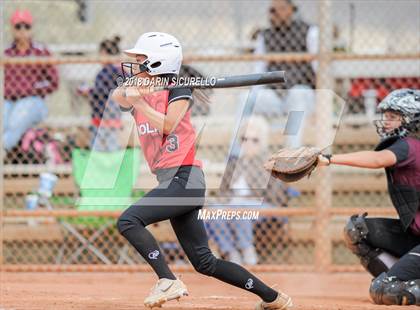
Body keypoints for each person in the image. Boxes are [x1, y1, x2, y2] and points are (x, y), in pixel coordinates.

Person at [112, 32, 292, 309]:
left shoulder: (179, 90)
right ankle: (273, 298)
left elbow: (169, 125)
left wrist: (139, 102)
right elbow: (118, 96)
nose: (134, 65)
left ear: (158, 63)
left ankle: (167, 279)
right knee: (205, 262)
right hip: (171, 181)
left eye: (141, 60)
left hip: (184, 179)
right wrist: (133, 92)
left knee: (128, 221)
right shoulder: (142, 89)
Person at [317, 89, 420, 306]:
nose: (385, 121)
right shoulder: (409, 146)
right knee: (358, 230)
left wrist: (329, 159)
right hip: (415, 237)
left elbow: (377, 159)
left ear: (411, 120)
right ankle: (399, 278)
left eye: (393, 117)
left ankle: (396, 283)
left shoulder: (409, 146)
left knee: (383, 290)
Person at [206, 116, 289, 265]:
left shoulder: (270, 163)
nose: (249, 143)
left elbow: (275, 196)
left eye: (254, 140)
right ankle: (231, 253)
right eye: (245, 139)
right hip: (233, 204)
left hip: (263, 205)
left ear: (262, 141)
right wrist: (226, 201)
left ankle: (247, 251)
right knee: (213, 211)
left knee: (240, 208)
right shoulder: (233, 162)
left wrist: (246, 200)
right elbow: (223, 192)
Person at [247, 0, 318, 148]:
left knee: (297, 94)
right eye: (272, 10)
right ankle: (237, 155)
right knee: (247, 98)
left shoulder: (309, 31)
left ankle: (291, 154)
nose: (275, 14)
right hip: (276, 96)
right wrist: (254, 95)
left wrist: (321, 103)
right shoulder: (265, 36)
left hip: (303, 95)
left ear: (291, 9)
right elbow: (258, 70)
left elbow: (319, 69)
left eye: (280, 9)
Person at [4, 9, 59, 151]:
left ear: (31, 29)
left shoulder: (40, 51)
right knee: (3, 120)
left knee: (15, 121)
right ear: (12, 29)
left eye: (26, 26)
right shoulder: (7, 53)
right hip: (10, 100)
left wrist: (31, 88)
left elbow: (53, 82)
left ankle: (3, 148)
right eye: (18, 27)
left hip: (35, 100)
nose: (22, 31)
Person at [77, 36, 122, 151]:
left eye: (100, 54)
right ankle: (113, 166)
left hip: (102, 115)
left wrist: (88, 91)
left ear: (104, 53)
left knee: (97, 146)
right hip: (115, 115)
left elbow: (102, 92)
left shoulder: (106, 71)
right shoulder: (122, 70)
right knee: (112, 144)